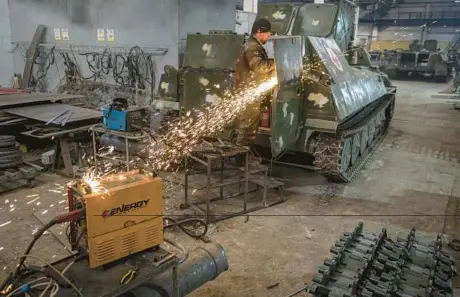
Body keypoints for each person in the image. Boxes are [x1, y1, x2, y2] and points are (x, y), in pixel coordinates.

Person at [234, 18, 276, 146]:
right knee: (247, 129)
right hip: (248, 93)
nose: (269, 36)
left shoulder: (255, 45)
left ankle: (245, 156)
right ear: (259, 31)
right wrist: (277, 63)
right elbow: (258, 66)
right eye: (268, 33)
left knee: (250, 128)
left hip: (251, 91)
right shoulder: (252, 46)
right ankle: (241, 160)